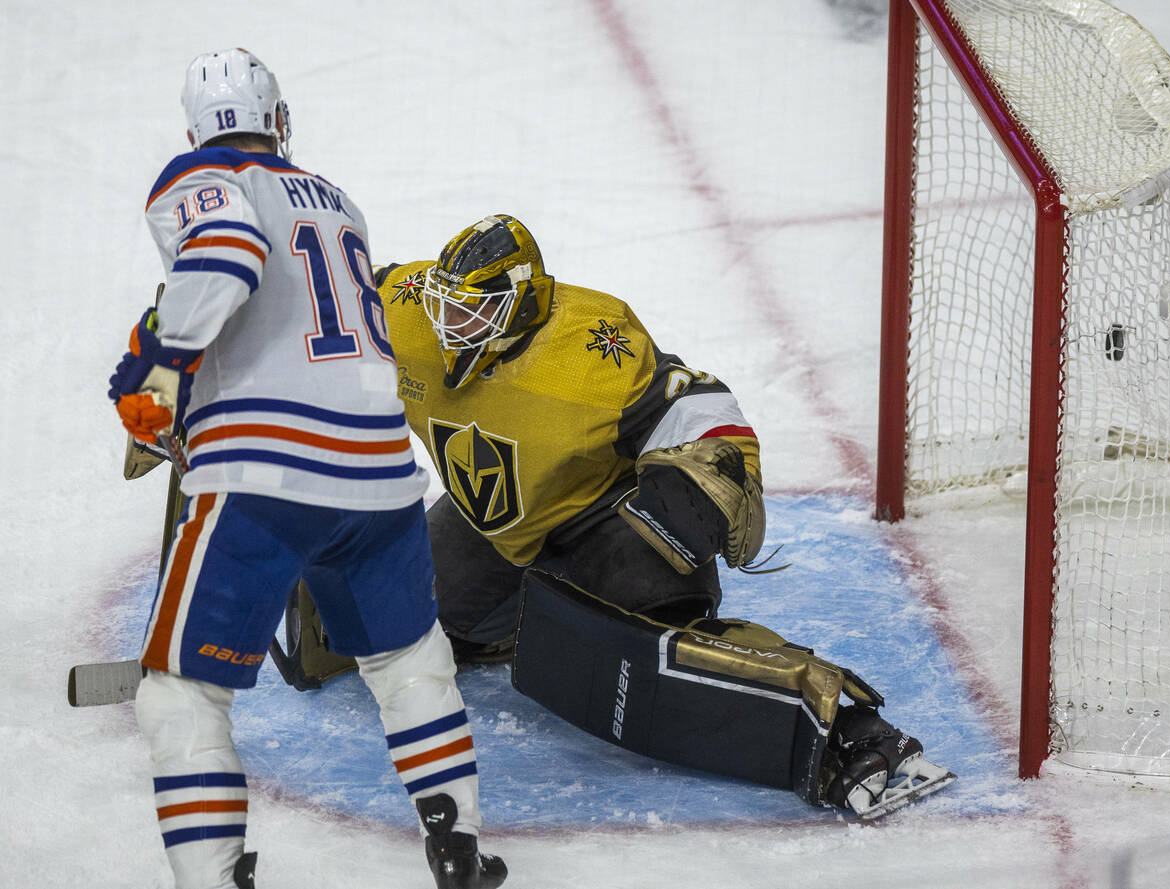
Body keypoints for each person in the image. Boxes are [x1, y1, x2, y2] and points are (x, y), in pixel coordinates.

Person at [363, 214, 955, 819]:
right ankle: (524, 620)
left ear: (523, 301)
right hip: (495, 528)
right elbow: (329, 290)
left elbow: (696, 400)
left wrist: (712, 470)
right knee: (401, 613)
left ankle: (846, 730)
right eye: (445, 304)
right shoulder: (404, 310)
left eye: (473, 309)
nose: (449, 324)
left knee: (667, 655)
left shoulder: (590, 348)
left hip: (605, 522)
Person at [108, 50, 504, 889]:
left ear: (194, 132)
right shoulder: (341, 203)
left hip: (265, 478)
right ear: (279, 121)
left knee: (181, 694)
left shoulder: (203, 175)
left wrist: (156, 377)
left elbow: (222, 258)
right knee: (409, 665)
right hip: (381, 475)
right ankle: (461, 848)